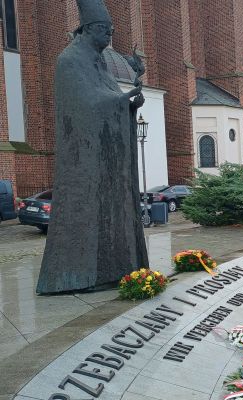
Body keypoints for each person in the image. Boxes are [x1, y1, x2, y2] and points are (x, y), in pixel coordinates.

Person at [37, 0, 148, 294]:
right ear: (87, 29)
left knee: (111, 212)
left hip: (104, 160)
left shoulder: (98, 60)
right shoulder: (70, 60)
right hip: (82, 161)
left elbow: (108, 96)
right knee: (86, 217)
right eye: (104, 30)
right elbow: (85, 104)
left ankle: (112, 272)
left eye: (111, 31)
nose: (109, 37)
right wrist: (122, 101)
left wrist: (129, 103)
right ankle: (82, 276)